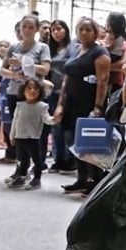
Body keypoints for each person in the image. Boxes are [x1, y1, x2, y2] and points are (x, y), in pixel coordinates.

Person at [52, 18, 111, 196]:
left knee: (90, 144)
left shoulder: (100, 52)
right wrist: (61, 104)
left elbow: (103, 81)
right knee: (75, 142)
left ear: (94, 32)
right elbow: (67, 78)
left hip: (88, 103)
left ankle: (95, 181)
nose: (84, 33)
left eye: (88, 29)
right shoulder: (76, 49)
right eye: (81, 29)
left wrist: (98, 107)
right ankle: (81, 179)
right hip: (71, 103)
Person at [0, 15, 51, 164]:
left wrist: (24, 63)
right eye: (24, 27)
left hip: (33, 94)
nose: (27, 30)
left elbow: (45, 70)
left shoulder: (42, 47)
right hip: (15, 91)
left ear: (36, 29)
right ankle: (21, 164)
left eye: (31, 27)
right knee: (18, 130)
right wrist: (15, 74)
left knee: (34, 131)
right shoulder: (13, 47)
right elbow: (3, 70)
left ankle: (38, 164)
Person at [5, 78, 53, 190]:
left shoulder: (42, 106)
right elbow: (15, 121)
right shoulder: (20, 105)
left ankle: (37, 179)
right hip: (20, 137)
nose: (32, 91)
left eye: (35, 88)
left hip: (33, 138)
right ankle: (22, 176)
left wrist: (55, 119)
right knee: (22, 159)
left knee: (37, 160)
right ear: (23, 91)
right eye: (29, 88)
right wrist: (12, 135)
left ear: (40, 91)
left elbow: (47, 120)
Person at [46, 20, 77, 172]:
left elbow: (71, 67)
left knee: (68, 128)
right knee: (56, 127)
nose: (56, 32)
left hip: (69, 92)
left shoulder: (73, 47)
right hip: (52, 92)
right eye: (53, 31)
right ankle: (58, 159)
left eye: (59, 29)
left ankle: (70, 160)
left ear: (66, 30)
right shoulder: (49, 49)